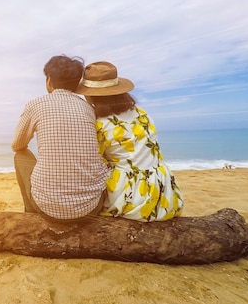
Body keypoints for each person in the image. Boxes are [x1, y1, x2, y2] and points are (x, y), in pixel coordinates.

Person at [76, 61, 184, 221]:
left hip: (131, 197)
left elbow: (94, 162)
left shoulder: (99, 124)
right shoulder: (142, 114)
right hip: (164, 194)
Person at [11, 55, 110, 223]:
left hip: (48, 208)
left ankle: (30, 213)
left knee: (20, 155)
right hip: (92, 207)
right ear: (77, 84)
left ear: (49, 81)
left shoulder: (36, 105)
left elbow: (17, 145)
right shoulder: (87, 108)